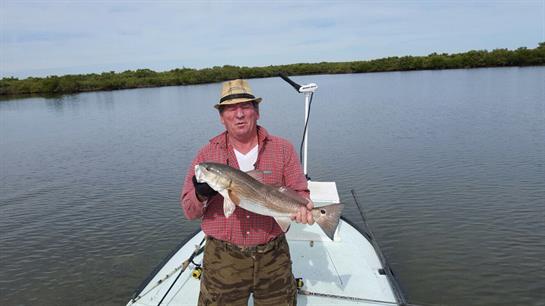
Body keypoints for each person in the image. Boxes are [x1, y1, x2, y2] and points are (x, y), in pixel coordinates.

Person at [181, 79, 314, 305]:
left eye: (245, 107)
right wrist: (201, 193)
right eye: (231, 109)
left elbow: (301, 191)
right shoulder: (206, 156)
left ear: (257, 112)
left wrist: (305, 207)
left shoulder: (283, 148)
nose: (239, 114)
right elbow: (189, 211)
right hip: (223, 259)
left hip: (274, 257)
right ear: (222, 118)